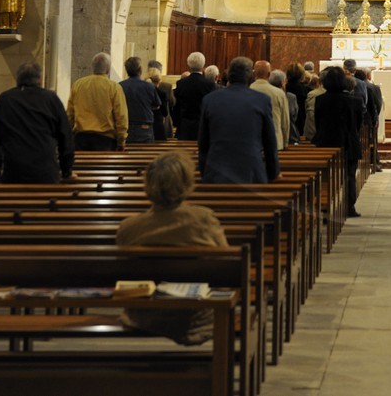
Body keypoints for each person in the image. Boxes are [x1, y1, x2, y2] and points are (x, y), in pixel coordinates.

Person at [116, 152, 230, 344]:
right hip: (193, 315)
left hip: (143, 314)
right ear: (186, 183)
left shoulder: (129, 227)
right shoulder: (203, 219)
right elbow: (225, 266)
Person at [0, 61, 74, 183]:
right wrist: (67, 170)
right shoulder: (51, 99)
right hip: (45, 172)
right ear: (40, 79)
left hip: (14, 172)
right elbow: (65, 136)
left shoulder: (5, 99)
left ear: (17, 79)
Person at [198, 56, 279, 184]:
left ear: (229, 75)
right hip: (251, 172)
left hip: (216, 172)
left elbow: (203, 142)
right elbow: (270, 142)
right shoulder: (262, 100)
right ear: (250, 76)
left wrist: (204, 171)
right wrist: (272, 173)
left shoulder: (210, 100)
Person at [313, 66, 364, 217]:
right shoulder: (354, 100)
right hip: (348, 141)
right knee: (349, 175)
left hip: (326, 141)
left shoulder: (320, 99)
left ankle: (325, 206)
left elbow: (317, 121)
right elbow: (357, 124)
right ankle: (349, 207)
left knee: (326, 177)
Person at [68, 51, 128, 151]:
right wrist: (121, 140)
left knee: (81, 166)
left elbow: (70, 114)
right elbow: (121, 117)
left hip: (81, 138)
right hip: (105, 140)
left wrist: (68, 135)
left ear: (93, 67)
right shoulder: (114, 87)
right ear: (108, 69)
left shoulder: (78, 84)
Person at [119, 56, 165, 144]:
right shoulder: (149, 86)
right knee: (147, 154)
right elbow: (157, 104)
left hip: (126, 126)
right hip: (144, 127)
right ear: (140, 69)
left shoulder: (120, 86)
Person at [173, 51, 216, 141]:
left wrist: (176, 123)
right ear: (203, 65)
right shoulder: (209, 84)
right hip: (203, 125)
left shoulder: (181, 83)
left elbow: (177, 106)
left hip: (185, 126)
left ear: (189, 64)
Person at [250, 59, 291, 152]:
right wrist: (285, 142)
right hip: (275, 142)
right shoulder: (279, 93)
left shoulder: (247, 90)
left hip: (252, 143)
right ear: (269, 74)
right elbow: (285, 121)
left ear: (254, 74)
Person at [148, 60, 175, 139]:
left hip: (148, 121)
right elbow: (172, 102)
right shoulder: (167, 86)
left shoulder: (143, 86)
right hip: (163, 121)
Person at [285, 64, 311, 139]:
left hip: (288, 125)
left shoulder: (284, 89)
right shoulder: (307, 91)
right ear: (302, 75)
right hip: (303, 124)